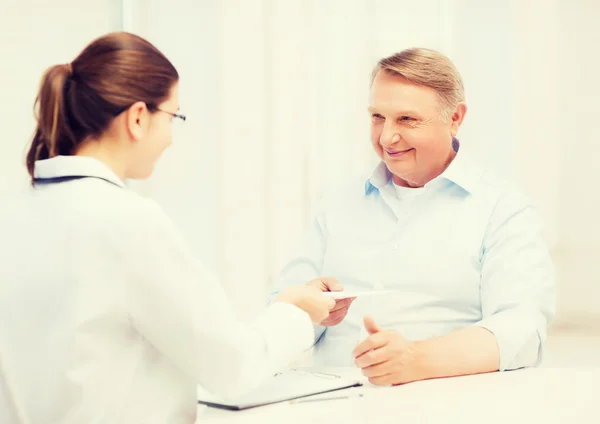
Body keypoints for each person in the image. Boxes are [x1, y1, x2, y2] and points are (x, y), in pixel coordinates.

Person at [0, 32, 340, 424]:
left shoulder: (13, 213)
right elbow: (231, 367)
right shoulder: (127, 221)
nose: (171, 138)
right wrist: (296, 311)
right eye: (173, 116)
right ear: (139, 118)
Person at [273, 48, 556, 385]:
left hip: (447, 404)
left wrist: (417, 359)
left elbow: (522, 332)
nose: (386, 137)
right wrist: (311, 308)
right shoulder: (336, 204)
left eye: (406, 119)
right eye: (378, 116)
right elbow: (280, 313)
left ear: (455, 118)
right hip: (330, 400)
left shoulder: (503, 208)